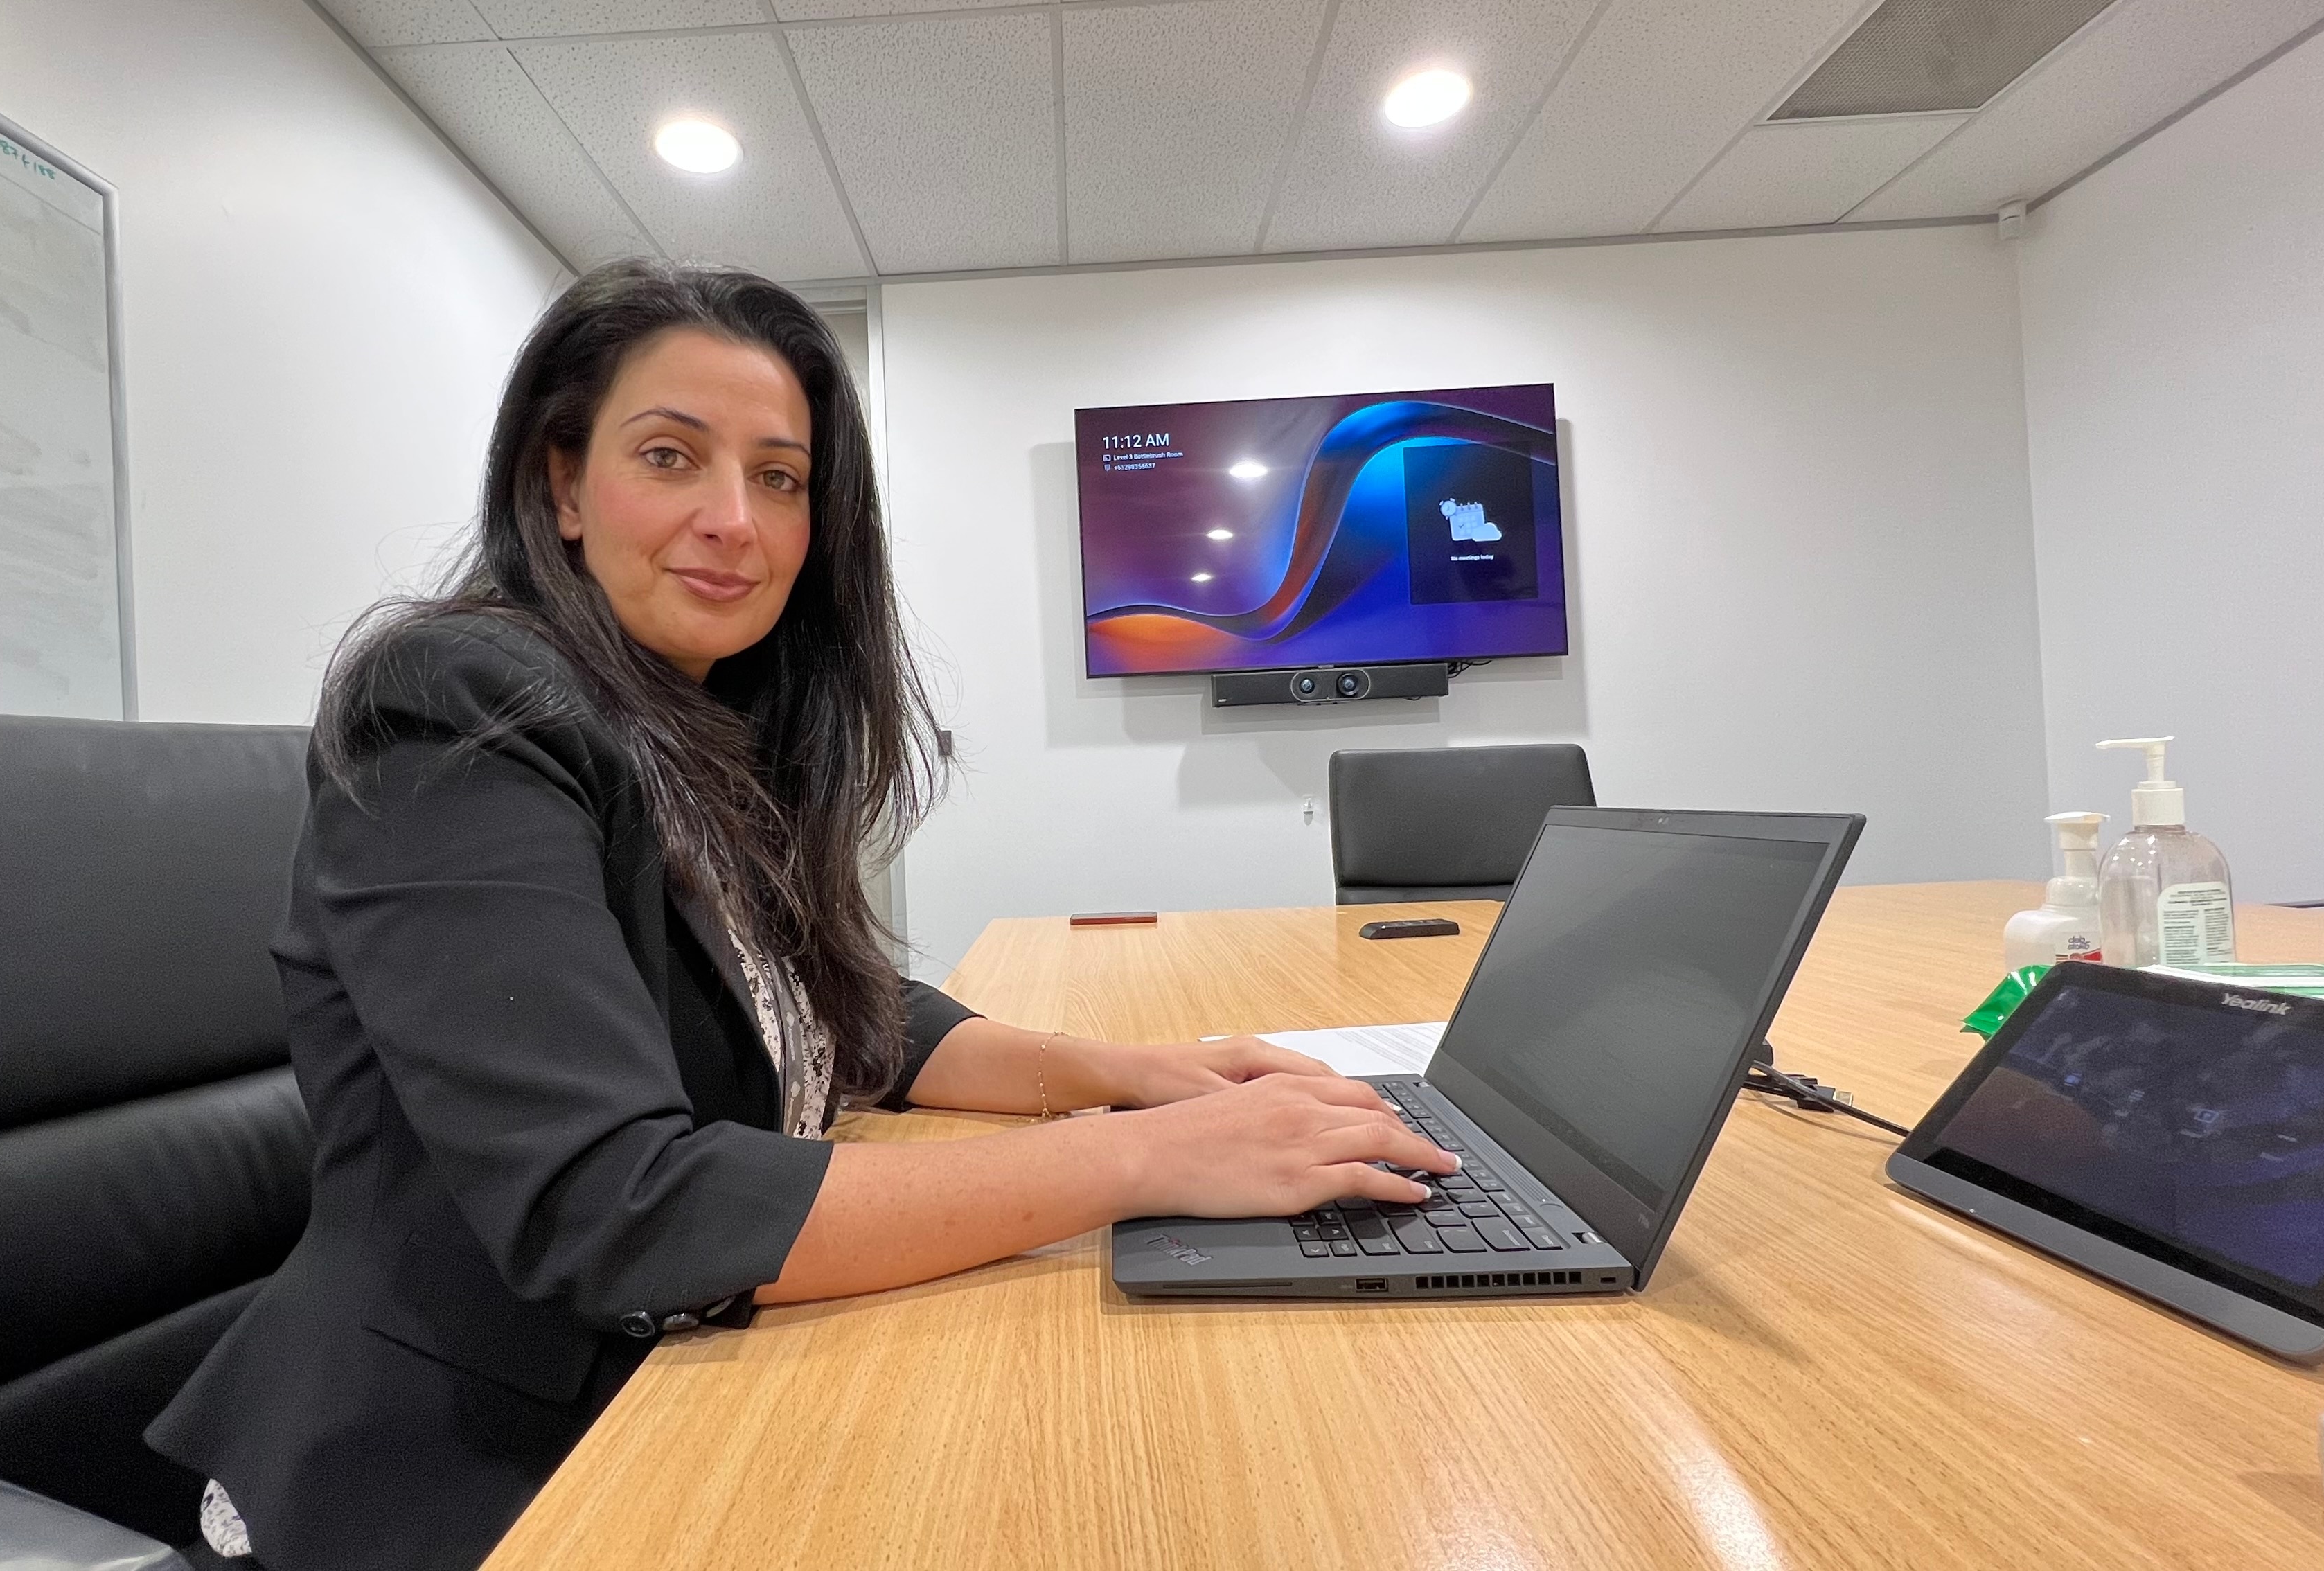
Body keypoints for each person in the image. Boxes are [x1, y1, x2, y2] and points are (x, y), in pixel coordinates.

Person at [147, 258, 1454, 1571]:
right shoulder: (461, 707)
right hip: (472, 1457)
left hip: (679, 1379)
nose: (738, 519)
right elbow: (620, 1207)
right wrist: (1147, 1161)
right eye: (671, 457)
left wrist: (1128, 1078)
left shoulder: (700, 717)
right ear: (561, 484)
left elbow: (834, 1004)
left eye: (779, 477)